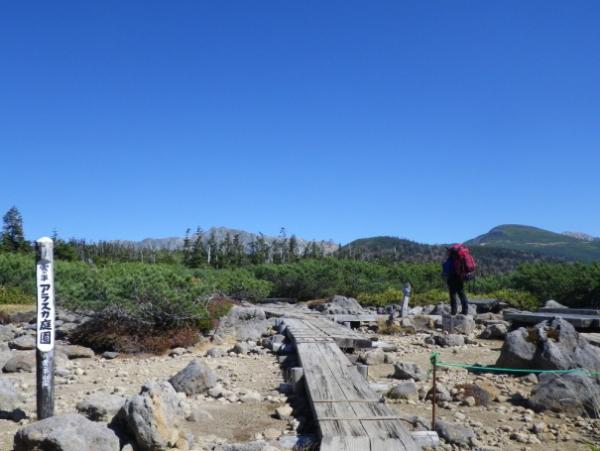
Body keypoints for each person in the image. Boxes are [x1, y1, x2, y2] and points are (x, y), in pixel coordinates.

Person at [442, 246, 470, 315]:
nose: (447, 252)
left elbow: (445, 269)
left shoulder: (450, 259)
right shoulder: (459, 258)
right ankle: (465, 310)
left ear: (451, 252)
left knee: (453, 294)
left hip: (452, 277)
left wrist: (444, 261)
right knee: (461, 293)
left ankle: (453, 311)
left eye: (448, 251)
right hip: (460, 276)